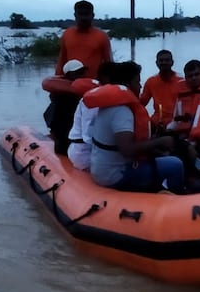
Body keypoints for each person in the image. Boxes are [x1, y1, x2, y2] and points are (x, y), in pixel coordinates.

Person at [83, 61, 185, 193]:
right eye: (137, 82)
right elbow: (127, 150)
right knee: (175, 165)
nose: (140, 86)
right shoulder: (122, 111)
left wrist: (153, 142)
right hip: (115, 174)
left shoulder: (108, 104)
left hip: (102, 168)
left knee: (161, 156)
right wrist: (160, 141)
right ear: (127, 85)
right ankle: (176, 204)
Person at [67, 62, 114, 171]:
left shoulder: (102, 97)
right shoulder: (93, 100)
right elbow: (88, 135)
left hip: (86, 149)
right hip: (84, 153)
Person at [55, 0, 112, 79]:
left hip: (93, 85)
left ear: (92, 15)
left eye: (86, 14)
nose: (83, 18)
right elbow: (61, 61)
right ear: (75, 15)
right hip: (70, 84)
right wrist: (57, 81)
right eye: (80, 14)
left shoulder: (102, 36)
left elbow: (109, 65)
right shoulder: (67, 34)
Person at [42, 59, 89, 154]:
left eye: (82, 72)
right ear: (68, 76)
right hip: (66, 145)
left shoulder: (81, 96)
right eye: (78, 73)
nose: (82, 76)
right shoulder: (61, 99)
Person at [167, 59, 200, 137]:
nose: (193, 78)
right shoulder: (180, 90)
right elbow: (176, 117)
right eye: (190, 76)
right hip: (183, 133)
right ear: (185, 77)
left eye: (197, 74)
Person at [139, 49, 181, 133]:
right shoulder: (151, 81)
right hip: (156, 122)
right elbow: (141, 103)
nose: (164, 63)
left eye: (167, 60)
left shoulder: (181, 81)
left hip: (176, 123)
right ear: (156, 63)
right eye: (161, 60)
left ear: (172, 62)